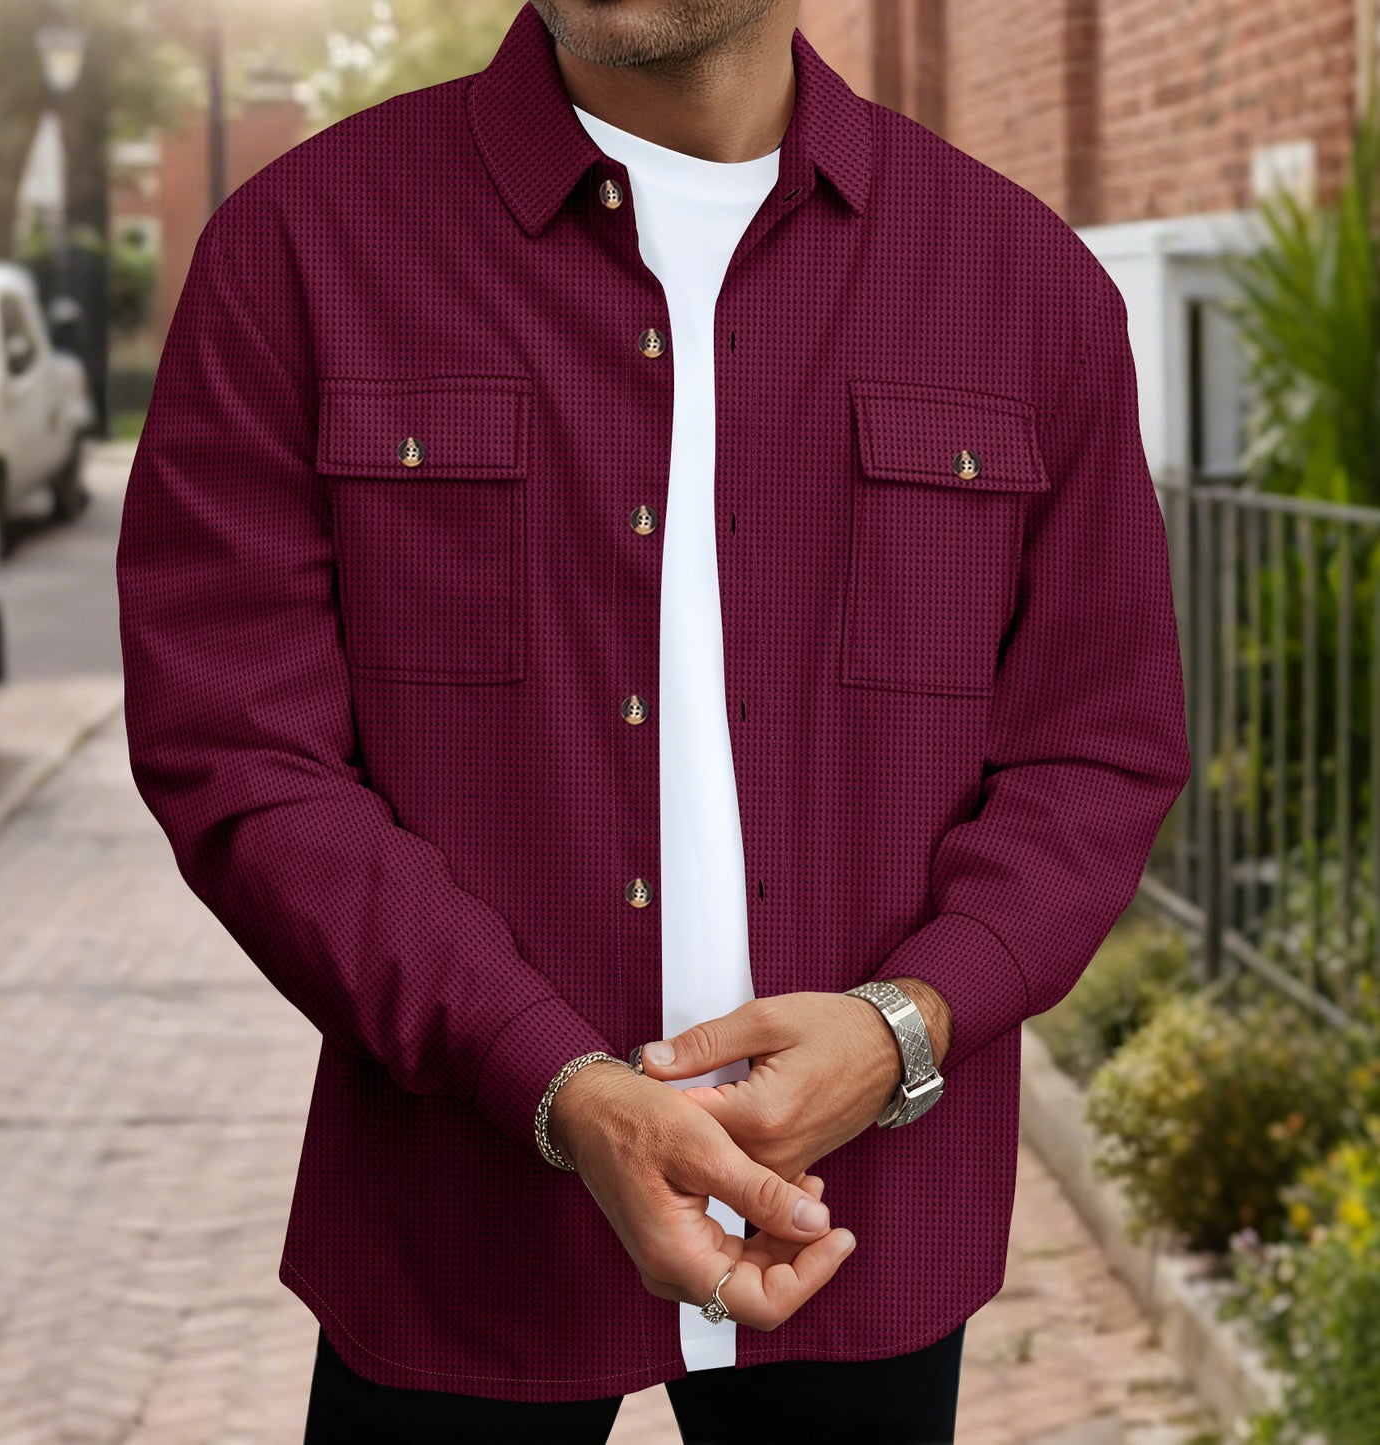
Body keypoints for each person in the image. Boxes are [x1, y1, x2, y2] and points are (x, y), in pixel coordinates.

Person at [114, 0, 1191, 1440]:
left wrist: (901, 1029)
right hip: (461, 1220)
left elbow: (1092, 748)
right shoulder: (300, 250)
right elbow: (241, 753)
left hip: (854, 1224)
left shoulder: (1024, 286)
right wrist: (551, 1079)